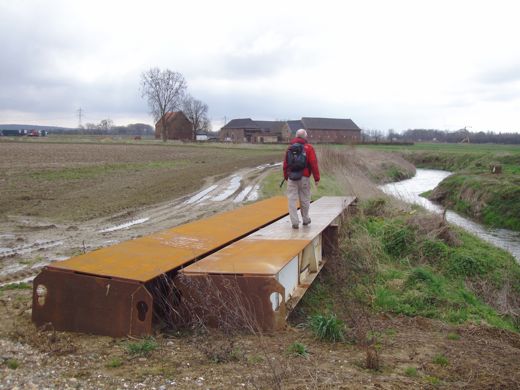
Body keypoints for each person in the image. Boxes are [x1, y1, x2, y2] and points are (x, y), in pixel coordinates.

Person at [283, 129, 320, 229]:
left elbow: (285, 164)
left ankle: (294, 222)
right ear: (304, 136)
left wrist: (286, 176)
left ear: (296, 136)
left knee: (292, 200)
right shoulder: (309, 148)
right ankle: (305, 219)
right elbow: (313, 163)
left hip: (292, 177)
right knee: (305, 199)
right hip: (304, 177)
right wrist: (317, 178)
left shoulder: (290, 148)